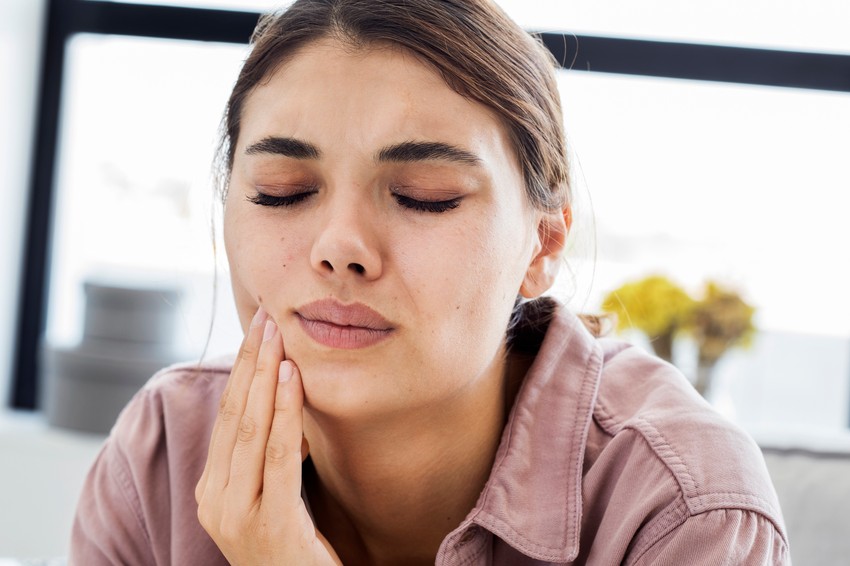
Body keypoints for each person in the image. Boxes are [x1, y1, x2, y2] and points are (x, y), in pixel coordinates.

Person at [69, 0, 789, 564]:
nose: (340, 249)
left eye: (424, 196)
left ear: (543, 242)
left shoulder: (684, 508)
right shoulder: (162, 453)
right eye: (282, 191)